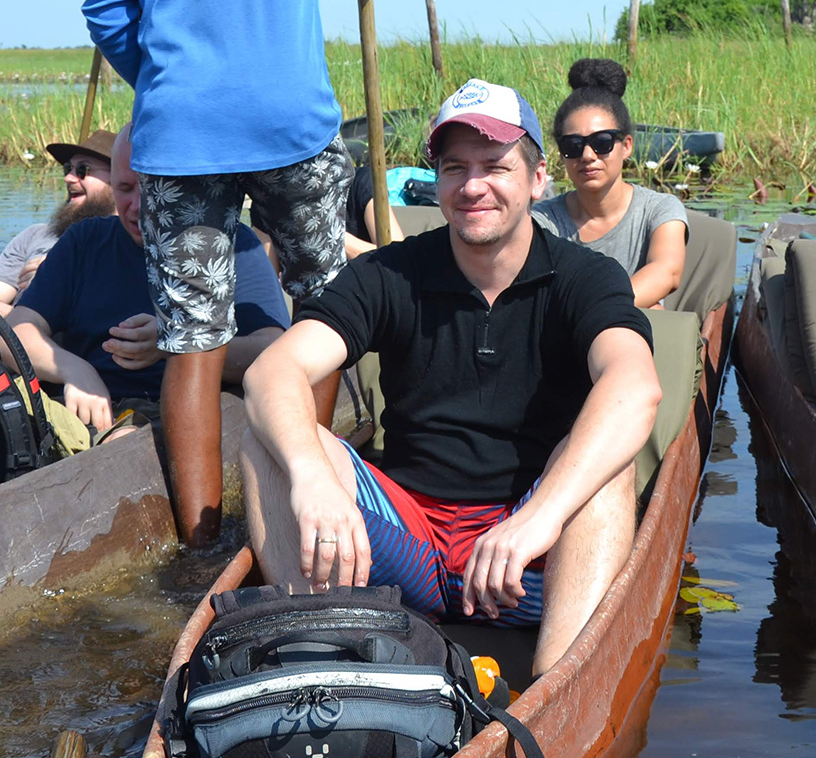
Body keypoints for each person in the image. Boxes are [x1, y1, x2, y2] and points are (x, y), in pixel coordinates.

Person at [78, 0, 385, 545]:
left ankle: (202, 539)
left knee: (192, 341)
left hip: (180, 133)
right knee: (321, 313)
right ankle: (307, 507)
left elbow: (107, 7)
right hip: (295, 124)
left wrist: (166, 85)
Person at [240, 79, 661, 677]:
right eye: (455, 167)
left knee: (608, 470)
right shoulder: (392, 273)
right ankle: (317, 665)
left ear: (538, 179)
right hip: (407, 546)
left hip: (525, 557)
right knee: (267, 440)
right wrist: (311, 477)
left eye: (495, 166)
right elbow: (272, 370)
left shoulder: (583, 278)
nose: (473, 186)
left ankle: (556, 694)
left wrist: (533, 522)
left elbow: (634, 386)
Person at [4, 125, 294, 433]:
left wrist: (176, 342)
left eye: (153, 187)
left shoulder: (233, 243)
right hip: (89, 409)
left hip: (189, 415)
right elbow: (12, 335)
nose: (139, 205)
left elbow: (272, 352)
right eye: (125, 188)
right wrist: (74, 370)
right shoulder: (85, 240)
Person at [533, 58, 687, 309]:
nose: (588, 156)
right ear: (561, 154)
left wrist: (598, 310)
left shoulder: (660, 209)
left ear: (626, 146)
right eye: (573, 145)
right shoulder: (542, 221)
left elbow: (667, 272)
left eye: (602, 142)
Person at [0, 130, 118, 312]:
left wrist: (55, 275)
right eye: (68, 168)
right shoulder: (36, 234)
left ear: (119, 178)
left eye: (82, 170)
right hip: (5, 329)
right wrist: (14, 320)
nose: (68, 178)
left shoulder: (131, 242)